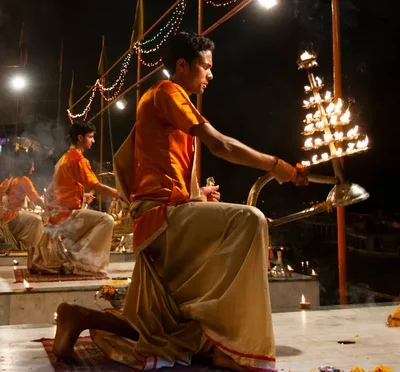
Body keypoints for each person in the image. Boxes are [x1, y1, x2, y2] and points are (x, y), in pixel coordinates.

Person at [53, 32, 297, 371]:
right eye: (205, 67)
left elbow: (160, 169)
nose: (211, 75)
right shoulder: (168, 92)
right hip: (161, 217)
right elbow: (220, 144)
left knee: (168, 324)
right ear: (182, 66)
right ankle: (235, 349)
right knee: (249, 220)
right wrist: (275, 165)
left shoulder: (168, 106)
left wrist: (198, 196)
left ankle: (76, 316)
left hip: (164, 213)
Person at [29, 121, 118, 276]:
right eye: (90, 137)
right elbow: (98, 187)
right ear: (80, 138)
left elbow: (52, 190)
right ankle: (82, 263)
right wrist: (120, 194)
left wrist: (81, 196)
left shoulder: (63, 159)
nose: (93, 140)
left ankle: (75, 258)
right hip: (67, 217)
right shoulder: (78, 160)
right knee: (107, 220)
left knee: (95, 219)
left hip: (56, 218)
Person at [0, 153, 44, 265]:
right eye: (32, 166)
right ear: (27, 167)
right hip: (11, 218)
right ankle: (36, 251)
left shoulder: (10, 180)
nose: (33, 169)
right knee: (37, 220)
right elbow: (36, 200)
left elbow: (29, 200)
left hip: (5, 219)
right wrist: (49, 209)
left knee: (33, 216)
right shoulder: (24, 180)